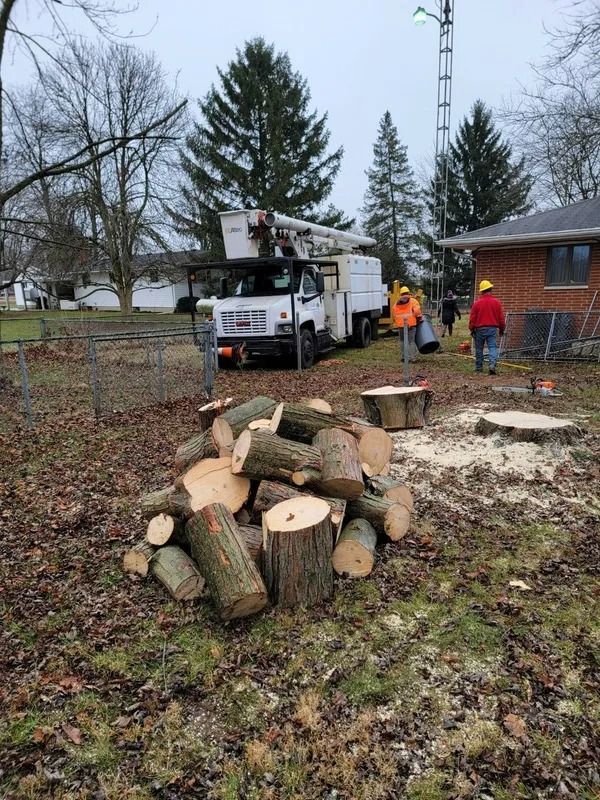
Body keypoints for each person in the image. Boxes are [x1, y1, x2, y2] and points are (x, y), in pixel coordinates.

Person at [469, 280, 505, 375]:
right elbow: (501, 318)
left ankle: (479, 367)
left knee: (479, 349)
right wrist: (502, 329)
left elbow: (472, 318)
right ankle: (492, 365)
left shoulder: (477, 303)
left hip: (479, 329)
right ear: (491, 289)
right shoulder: (496, 302)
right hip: (492, 329)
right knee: (492, 347)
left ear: (481, 291)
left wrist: (471, 329)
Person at [393, 286, 423, 362]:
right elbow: (417, 312)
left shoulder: (396, 303)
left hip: (401, 326)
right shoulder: (413, 301)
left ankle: (404, 357)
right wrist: (419, 318)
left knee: (402, 341)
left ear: (401, 294)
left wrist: (399, 322)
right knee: (411, 341)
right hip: (411, 325)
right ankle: (413, 358)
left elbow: (394, 315)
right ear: (408, 292)